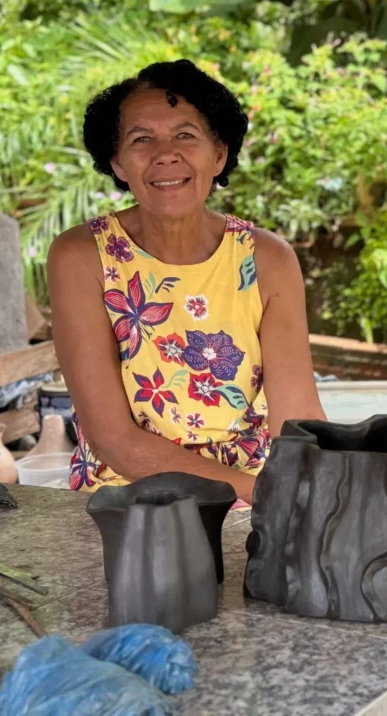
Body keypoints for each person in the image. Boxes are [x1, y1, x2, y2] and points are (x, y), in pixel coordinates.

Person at [48, 59, 326, 503]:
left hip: (252, 502)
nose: (165, 154)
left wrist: (329, 491)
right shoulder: (82, 257)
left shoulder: (267, 259)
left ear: (218, 155)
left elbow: (299, 417)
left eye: (185, 135)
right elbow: (114, 439)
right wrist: (265, 495)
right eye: (142, 139)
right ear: (117, 162)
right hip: (129, 502)